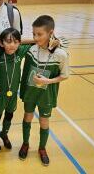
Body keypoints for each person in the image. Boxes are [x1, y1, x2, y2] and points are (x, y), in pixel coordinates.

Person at [19, 15, 69, 166]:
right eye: (34, 33)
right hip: (30, 93)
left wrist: (48, 81)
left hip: (46, 95)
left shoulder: (60, 54)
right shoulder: (31, 50)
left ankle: (42, 148)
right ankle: (25, 143)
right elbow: (15, 43)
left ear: (50, 32)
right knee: (27, 116)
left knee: (44, 121)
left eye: (39, 34)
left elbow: (64, 76)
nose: (35, 37)